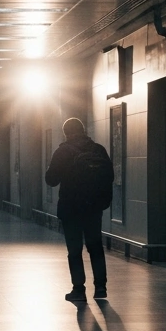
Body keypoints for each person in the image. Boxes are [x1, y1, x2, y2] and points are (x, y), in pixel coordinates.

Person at [44, 118, 114, 302]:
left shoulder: (63, 151)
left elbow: (51, 180)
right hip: (93, 207)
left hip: (71, 208)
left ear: (66, 133)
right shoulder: (98, 150)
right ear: (83, 130)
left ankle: (79, 289)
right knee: (95, 247)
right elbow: (110, 176)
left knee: (74, 250)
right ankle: (100, 288)